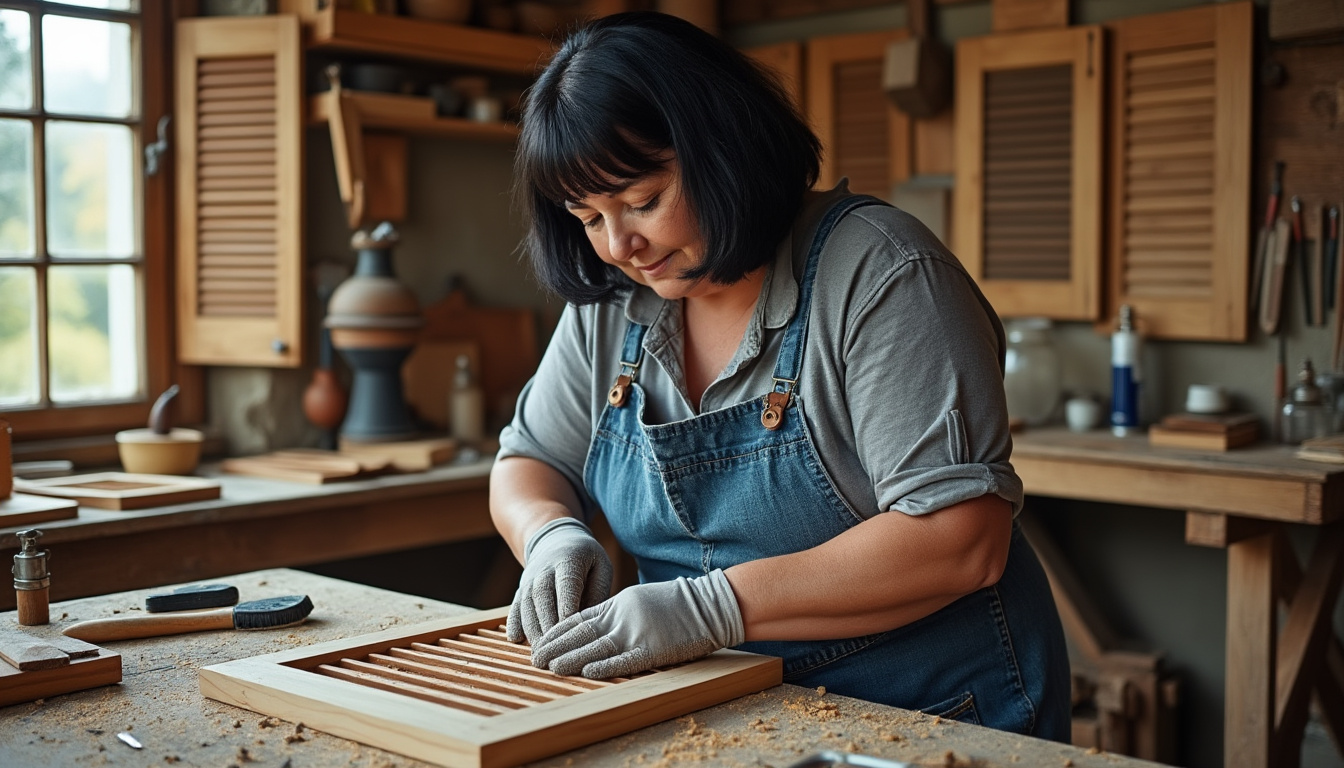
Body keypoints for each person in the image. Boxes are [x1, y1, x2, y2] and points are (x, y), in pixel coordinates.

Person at [491, 11, 1071, 740]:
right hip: (716, 715)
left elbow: (962, 538)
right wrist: (550, 535)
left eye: (641, 202)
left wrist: (708, 608)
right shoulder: (618, 305)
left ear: (722, 150)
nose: (620, 245)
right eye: (588, 216)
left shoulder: (883, 274)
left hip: (927, 714)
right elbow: (529, 460)